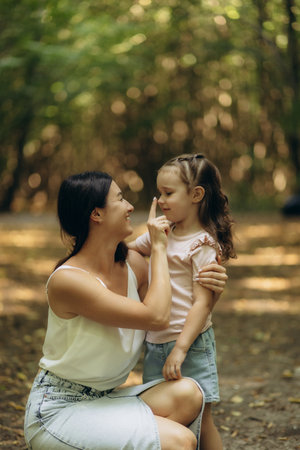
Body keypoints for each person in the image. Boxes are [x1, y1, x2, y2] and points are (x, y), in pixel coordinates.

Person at [24, 171, 228, 450]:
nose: (130, 206)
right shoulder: (68, 281)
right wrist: (158, 246)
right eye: (120, 199)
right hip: (58, 410)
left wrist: (208, 294)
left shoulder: (133, 265)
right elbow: (156, 317)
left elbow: (172, 317)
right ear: (96, 214)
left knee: (190, 394)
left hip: (105, 399)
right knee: (180, 442)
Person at [129, 154, 236, 450]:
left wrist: (180, 349)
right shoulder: (162, 233)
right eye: (159, 193)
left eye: (168, 193)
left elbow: (202, 303)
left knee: (203, 417)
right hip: (156, 343)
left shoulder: (202, 244)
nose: (161, 200)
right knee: (168, 418)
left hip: (190, 343)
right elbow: (128, 250)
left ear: (196, 195)